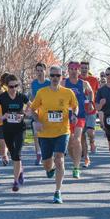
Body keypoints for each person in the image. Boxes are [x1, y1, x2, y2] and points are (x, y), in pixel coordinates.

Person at [30, 64, 79, 204]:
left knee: (59, 158)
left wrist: (74, 115)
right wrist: (37, 121)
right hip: (45, 133)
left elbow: (75, 106)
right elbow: (32, 109)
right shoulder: (42, 92)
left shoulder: (68, 92)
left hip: (62, 131)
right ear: (49, 77)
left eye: (58, 75)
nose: (55, 78)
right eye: (52, 75)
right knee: (47, 163)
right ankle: (49, 169)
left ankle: (58, 191)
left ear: (62, 76)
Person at [0, 75, 29, 192]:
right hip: (7, 130)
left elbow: (32, 107)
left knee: (17, 155)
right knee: (13, 155)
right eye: (11, 86)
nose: (13, 89)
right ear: (7, 86)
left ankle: (15, 181)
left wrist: (23, 114)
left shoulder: (22, 97)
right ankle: (20, 171)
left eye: (15, 86)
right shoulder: (2, 97)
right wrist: (2, 116)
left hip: (20, 129)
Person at [62, 61, 94, 179]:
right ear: (68, 70)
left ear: (79, 70)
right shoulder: (64, 82)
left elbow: (91, 92)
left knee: (77, 139)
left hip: (80, 115)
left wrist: (90, 102)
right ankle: (76, 158)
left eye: (76, 69)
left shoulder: (83, 83)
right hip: (66, 116)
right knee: (70, 143)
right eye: (71, 68)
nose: (74, 71)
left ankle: (76, 168)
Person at [79, 60, 101, 164]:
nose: (84, 70)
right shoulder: (76, 79)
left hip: (91, 109)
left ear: (88, 69)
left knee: (90, 132)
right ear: (80, 69)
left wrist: (95, 103)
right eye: (82, 68)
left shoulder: (94, 80)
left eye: (85, 68)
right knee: (82, 134)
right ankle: (86, 155)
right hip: (80, 110)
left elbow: (98, 93)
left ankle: (92, 141)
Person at [29, 62, 49, 166]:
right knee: (36, 134)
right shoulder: (34, 83)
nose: (39, 73)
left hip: (48, 112)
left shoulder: (49, 83)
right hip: (37, 111)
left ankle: (48, 153)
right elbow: (32, 98)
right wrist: (29, 107)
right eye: (38, 70)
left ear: (45, 71)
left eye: (41, 70)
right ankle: (38, 154)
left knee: (47, 134)